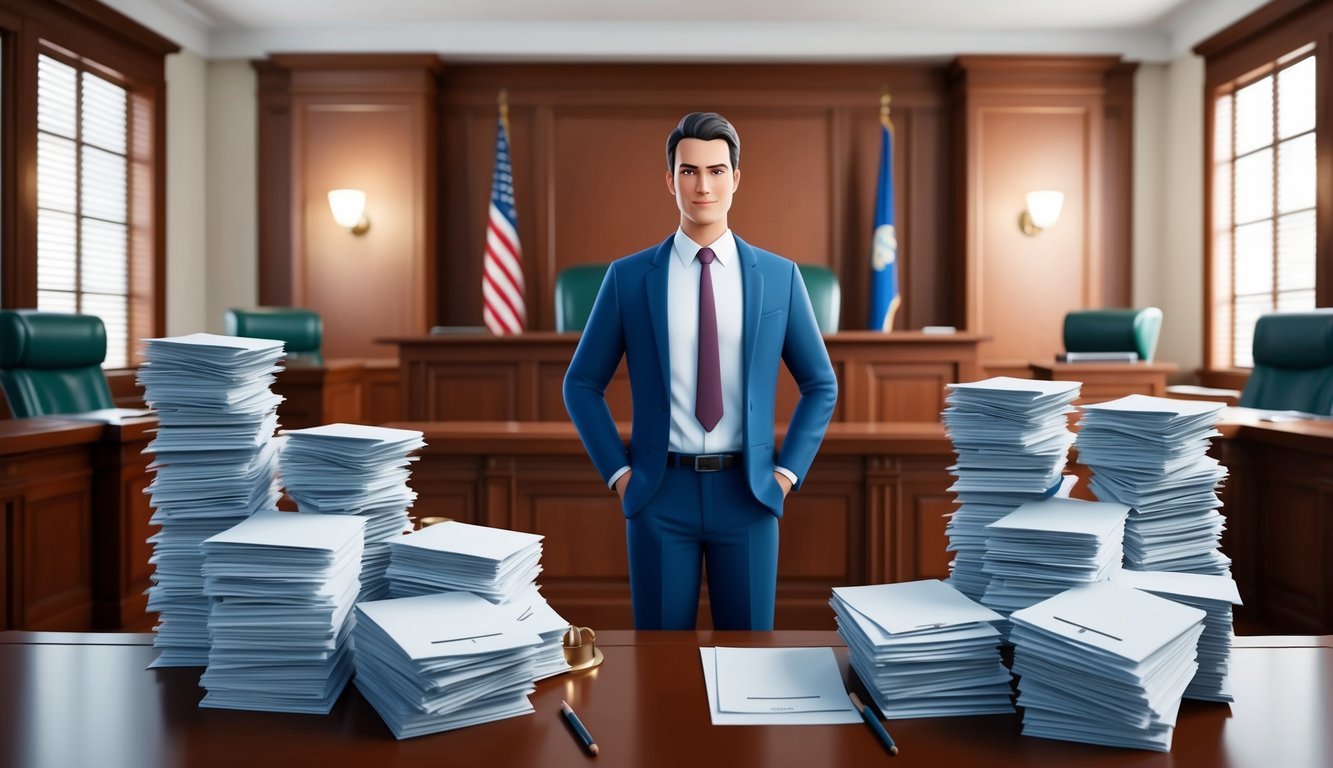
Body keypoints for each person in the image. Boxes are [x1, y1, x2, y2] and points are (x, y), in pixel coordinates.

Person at [563, 112, 837, 630]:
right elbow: (580, 384)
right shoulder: (627, 278)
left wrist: (784, 476)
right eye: (688, 171)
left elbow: (820, 384)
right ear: (670, 180)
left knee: (750, 660)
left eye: (716, 171)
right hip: (659, 494)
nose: (702, 185)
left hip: (751, 494)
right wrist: (621, 476)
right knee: (660, 667)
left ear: (736, 178)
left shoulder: (780, 278)